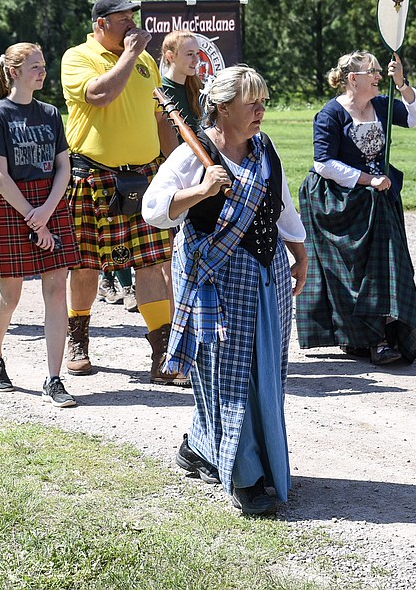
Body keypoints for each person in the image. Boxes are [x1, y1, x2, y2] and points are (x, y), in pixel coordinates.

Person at [143, 65, 307, 515]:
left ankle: (202, 446)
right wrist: (198, 191)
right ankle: (244, 475)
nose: (260, 110)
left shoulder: (265, 147)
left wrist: (300, 250)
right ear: (222, 106)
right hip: (216, 276)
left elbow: (282, 203)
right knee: (227, 374)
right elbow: (153, 209)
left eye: (263, 102)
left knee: (265, 369)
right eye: (251, 102)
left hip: (266, 269)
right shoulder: (193, 155)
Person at [60, 0, 184, 384]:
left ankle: (162, 354)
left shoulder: (146, 62)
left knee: (150, 263)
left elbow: (159, 118)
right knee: (85, 266)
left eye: (133, 16)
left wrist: (175, 166)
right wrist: (130, 55)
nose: (132, 24)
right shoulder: (77, 58)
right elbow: (100, 95)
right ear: (100, 24)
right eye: (122, 18)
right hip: (93, 176)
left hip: (144, 176)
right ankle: (77, 339)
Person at [296, 50, 416, 366]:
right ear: (353, 79)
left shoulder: (380, 106)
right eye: (374, 72)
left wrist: (403, 83)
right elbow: (323, 163)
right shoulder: (331, 114)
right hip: (337, 200)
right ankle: (365, 337)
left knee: (386, 262)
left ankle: (384, 335)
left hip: (377, 199)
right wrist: (368, 179)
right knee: (352, 271)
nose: (379, 77)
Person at [0, 42, 81, 405]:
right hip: (13, 206)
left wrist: (48, 211)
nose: (42, 72)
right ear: (15, 71)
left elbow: (64, 166)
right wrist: (32, 217)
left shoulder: (51, 113)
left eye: (43, 65)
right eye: (35, 66)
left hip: (50, 204)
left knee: (56, 292)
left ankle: (54, 379)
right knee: (10, 296)